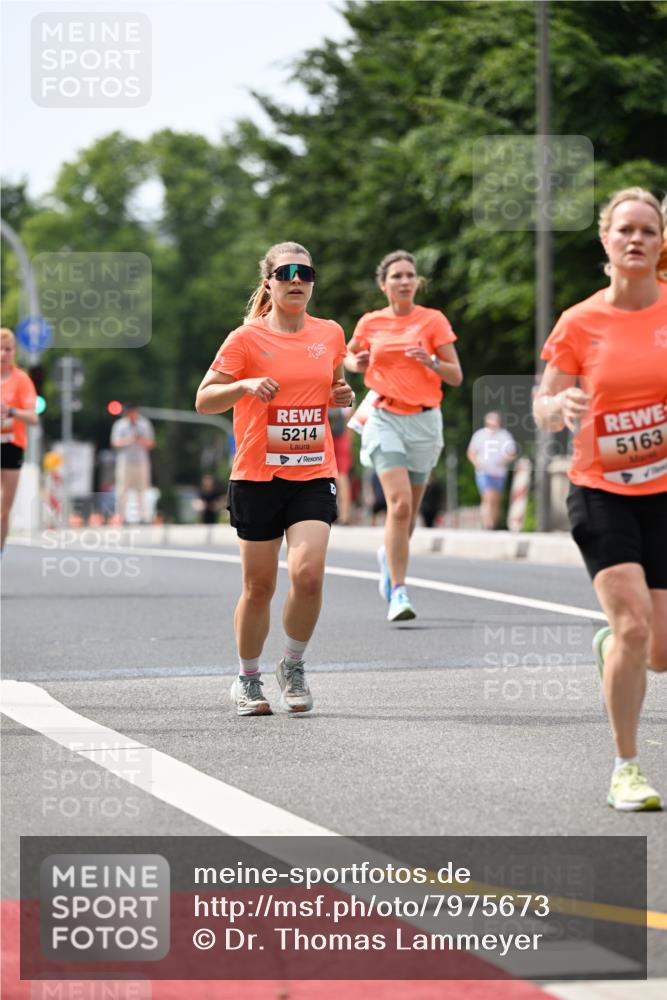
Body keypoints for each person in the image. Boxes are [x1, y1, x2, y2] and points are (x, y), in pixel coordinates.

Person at [533, 186, 667, 812]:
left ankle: (613, 646)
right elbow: (544, 403)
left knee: (656, 651)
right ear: (606, 241)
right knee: (635, 625)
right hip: (600, 489)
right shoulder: (580, 322)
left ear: (661, 241)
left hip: (664, 492)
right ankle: (626, 767)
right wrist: (558, 406)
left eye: (648, 229)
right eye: (625, 230)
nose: (636, 239)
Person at [196, 242, 353, 716]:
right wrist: (243, 385)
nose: (297, 280)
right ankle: (247, 678)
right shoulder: (245, 338)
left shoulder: (329, 334)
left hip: (312, 471)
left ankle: (294, 664)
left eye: (305, 273)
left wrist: (341, 395)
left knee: (308, 575)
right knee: (258, 586)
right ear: (268, 282)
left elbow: (335, 387)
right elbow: (205, 400)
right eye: (286, 273)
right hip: (257, 475)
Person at [345, 250, 462, 621]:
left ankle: (388, 558)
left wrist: (430, 361)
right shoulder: (371, 322)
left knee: (409, 511)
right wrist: (356, 362)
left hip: (425, 421)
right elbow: (348, 355)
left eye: (410, 275)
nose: (405, 281)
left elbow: (456, 375)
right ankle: (398, 591)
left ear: (418, 282)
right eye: (397, 276)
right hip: (384, 416)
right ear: (384, 284)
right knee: (397, 505)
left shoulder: (433, 321)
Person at [0, 328, 38, 551]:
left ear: (14, 352)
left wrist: (12, 411)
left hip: (12, 444)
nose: (4, 354)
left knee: (5, 507)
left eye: (8, 349)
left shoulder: (22, 379)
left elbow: (33, 417)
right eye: (0, 349)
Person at [467, 411, 517, 529]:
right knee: (488, 496)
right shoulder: (480, 435)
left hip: (499, 472)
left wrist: (504, 461)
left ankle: (492, 524)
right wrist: (477, 464)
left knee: (496, 499)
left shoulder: (505, 436)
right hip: (484, 471)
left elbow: (511, 453)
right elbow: (471, 452)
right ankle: (487, 524)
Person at [110, 403, 155, 523]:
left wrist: (140, 440)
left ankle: (142, 517)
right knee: (122, 490)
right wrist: (129, 440)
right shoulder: (120, 425)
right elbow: (115, 443)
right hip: (125, 461)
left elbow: (151, 443)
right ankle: (122, 517)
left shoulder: (144, 424)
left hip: (141, 461)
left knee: (143, 490)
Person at [328, 406, 354, 524]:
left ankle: (330, 513)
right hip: (342, 439)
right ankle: (345, 515)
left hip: (326, 438)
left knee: (326, 476)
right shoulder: (345, 392)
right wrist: (349, 441)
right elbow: (350, 419)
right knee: (343, 477)